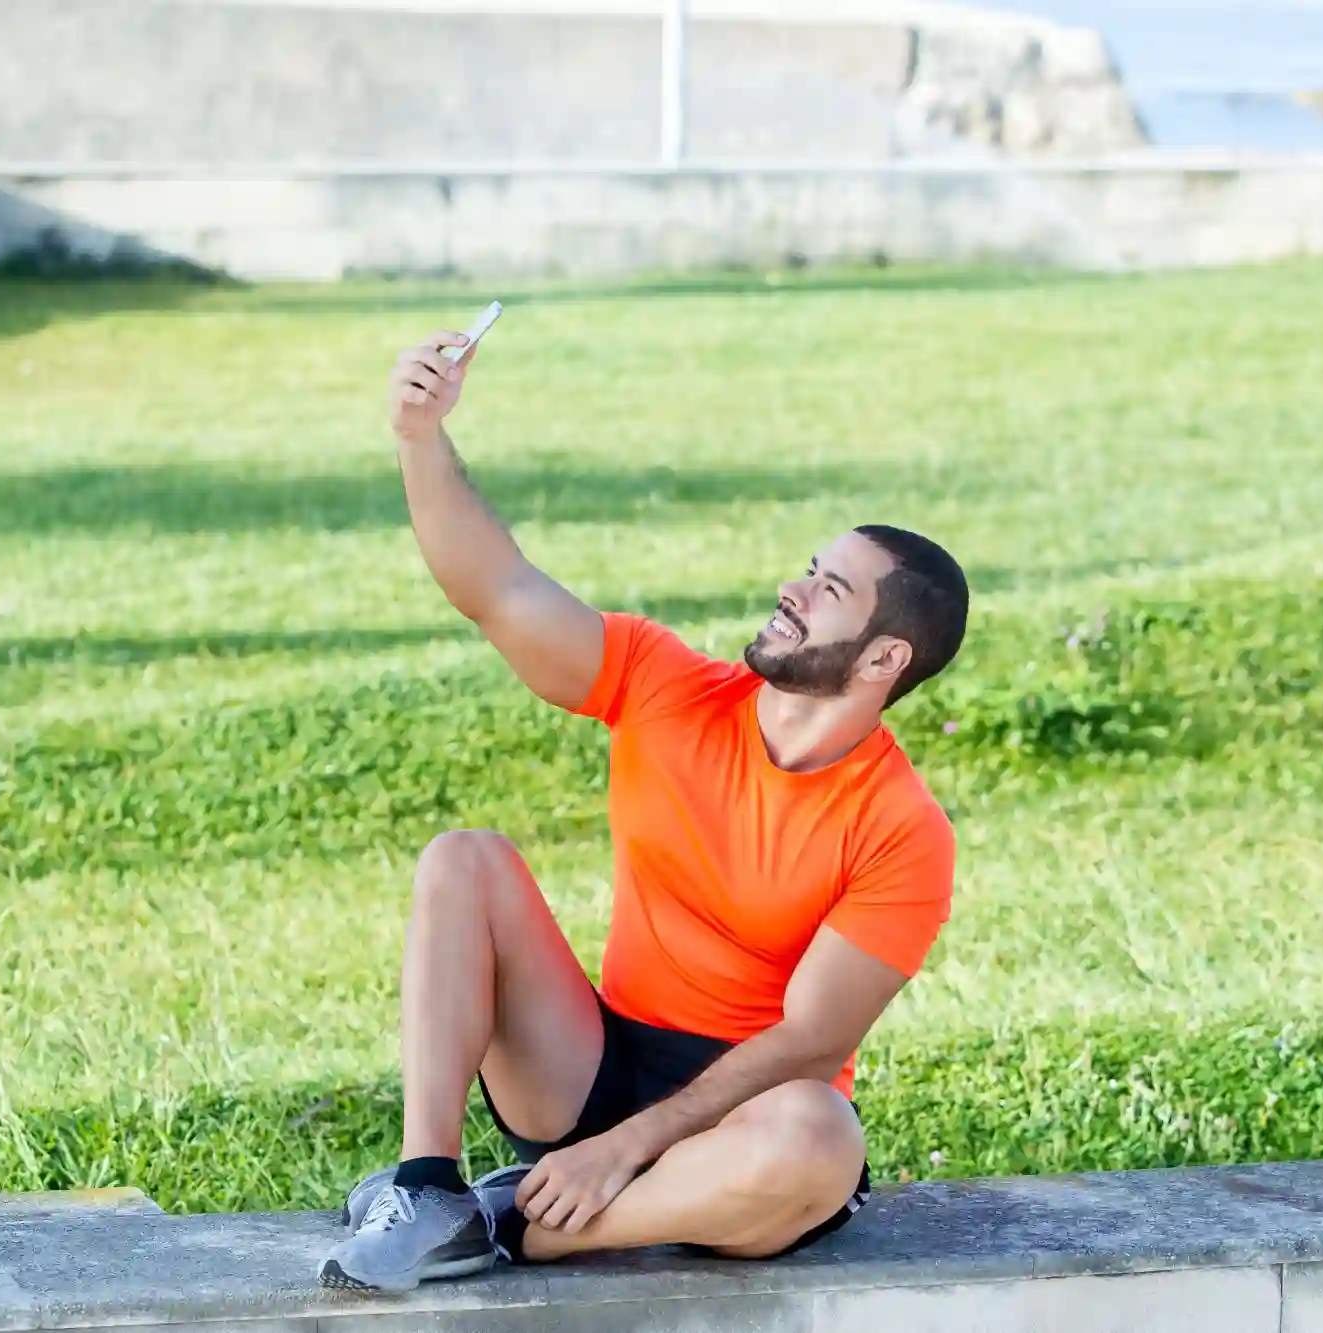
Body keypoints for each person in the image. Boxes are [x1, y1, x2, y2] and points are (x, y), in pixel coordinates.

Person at [318, 326, 970, 1292]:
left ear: (883, 659)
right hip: (588, 1064)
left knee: (819, 1135)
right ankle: (427, 1186)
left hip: (740, 1120)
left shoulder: (902, 828)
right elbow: (496, 587)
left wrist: (626, 1149)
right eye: (808, 569)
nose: (791, 590)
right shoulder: (667, 685)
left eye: (830, 591)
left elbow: (811, 1041)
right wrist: (420, 435)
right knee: (466, 857)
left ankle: (515, 1222)